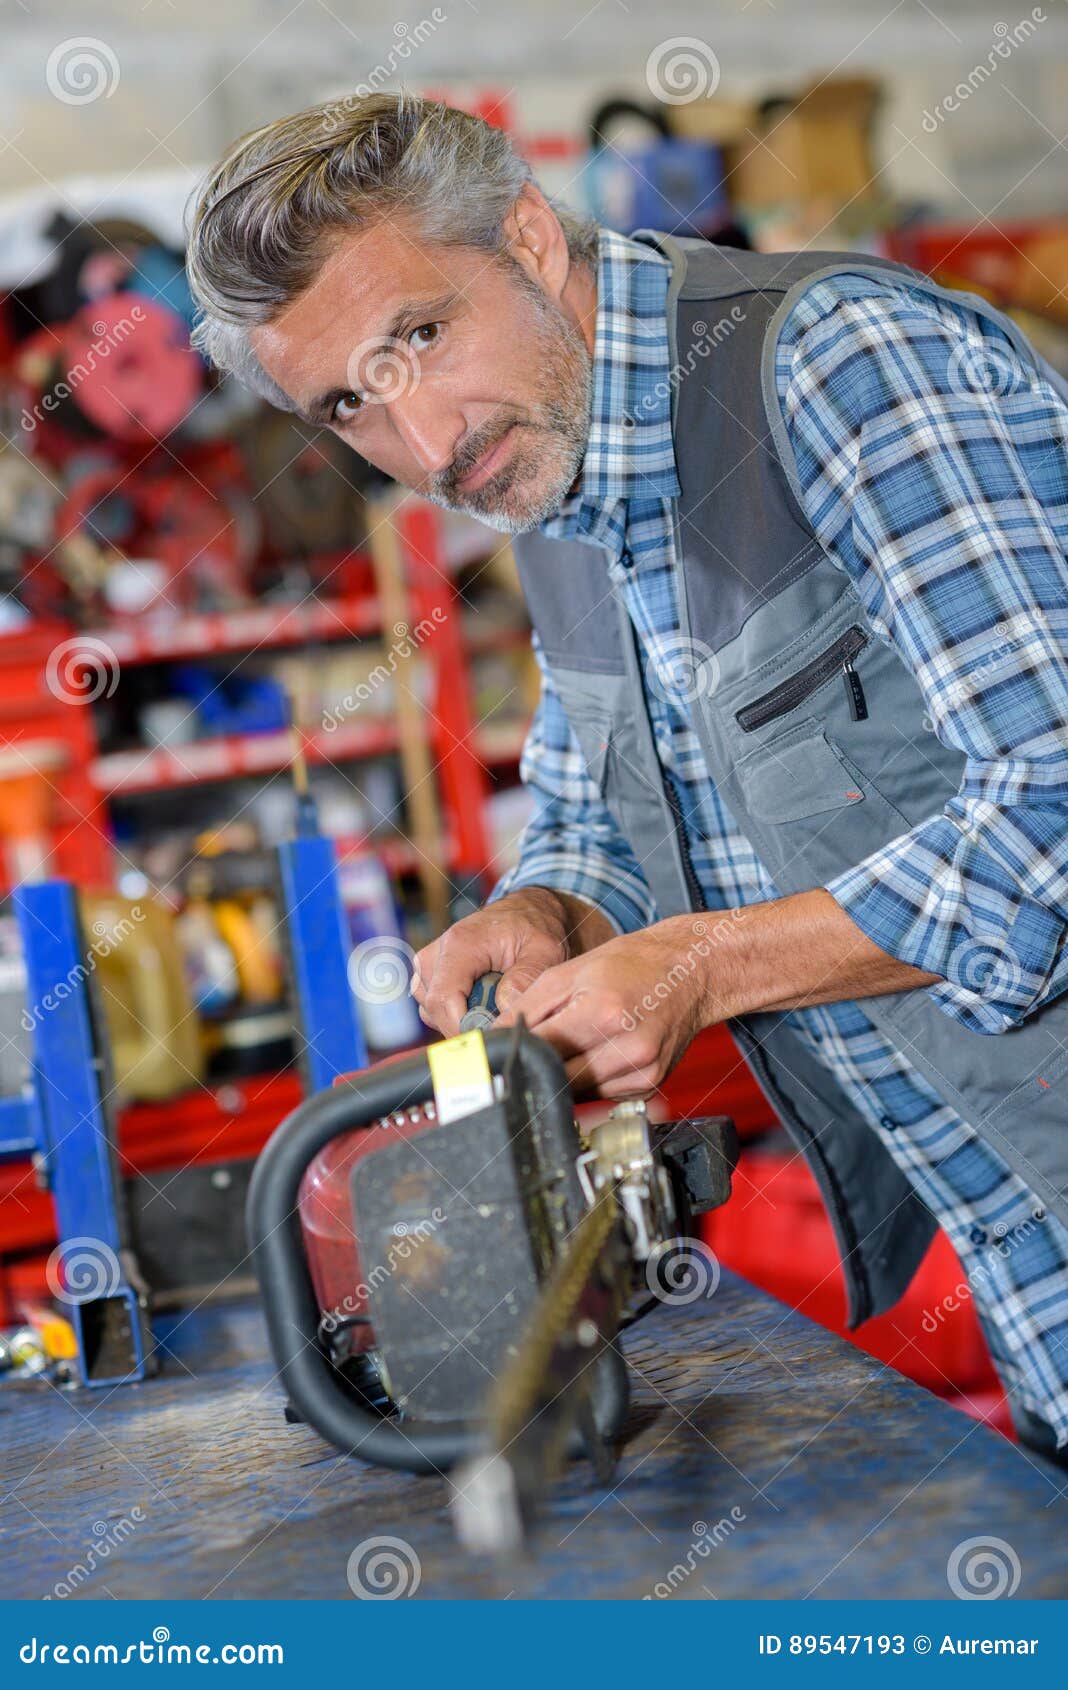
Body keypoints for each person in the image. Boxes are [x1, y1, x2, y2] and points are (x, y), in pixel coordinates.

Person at [189, 92, 1068, 1466]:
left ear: (532, 240)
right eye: (352, 403)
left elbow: (1053, 805)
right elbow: (605, 800)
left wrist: (700, 967)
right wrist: (547, 904)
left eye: (418, 337)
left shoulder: (837, 367)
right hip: (1025, 1253)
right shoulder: (542, 475)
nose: (423, 448)